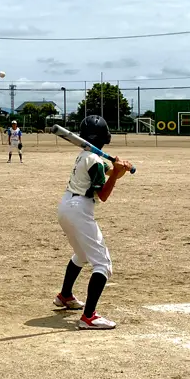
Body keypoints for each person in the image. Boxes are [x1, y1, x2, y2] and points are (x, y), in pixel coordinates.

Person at [53, 115, 133, 330]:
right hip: (79, 210)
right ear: (105, 137)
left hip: (67, 206)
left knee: (82, 255)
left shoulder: (87, 155)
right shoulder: (94, 160)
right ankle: (89, 316)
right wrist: (116, 173)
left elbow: (107, 172)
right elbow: (104, 194)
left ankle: (65, 295)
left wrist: (118, 170)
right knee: (103, 264)